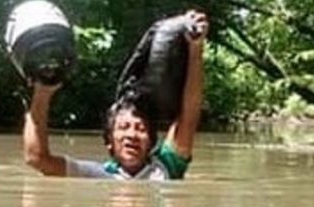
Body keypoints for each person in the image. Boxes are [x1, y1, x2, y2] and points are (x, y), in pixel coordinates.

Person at [23, 10, 208, 180]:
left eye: (140, 129)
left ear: (151, 142)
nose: (132, 135)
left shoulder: (167, 166)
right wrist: (42, 94)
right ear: (109, 142)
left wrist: (195, 49)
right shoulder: (98, 175)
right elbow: (37, 159)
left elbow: (189, 115)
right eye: (124, 127)